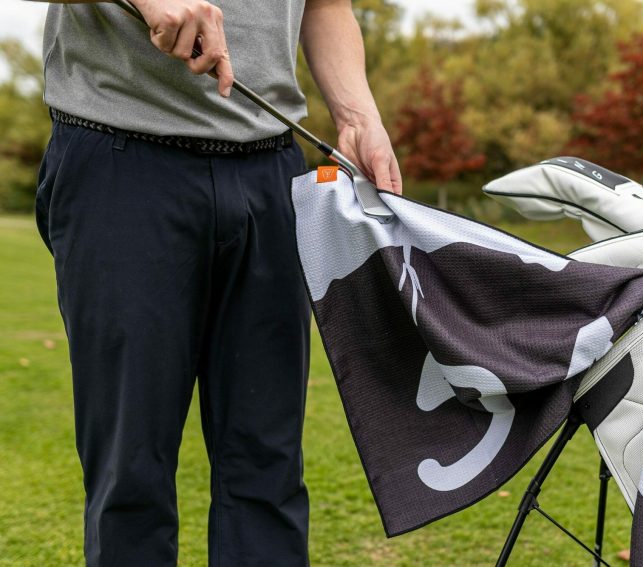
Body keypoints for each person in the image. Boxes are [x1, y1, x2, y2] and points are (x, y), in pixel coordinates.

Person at [31, 0, 401, 564]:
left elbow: (327, 5)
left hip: (272, 171)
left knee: (268, 466)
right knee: (129, 470)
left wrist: (357, 118)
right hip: (122, 156)